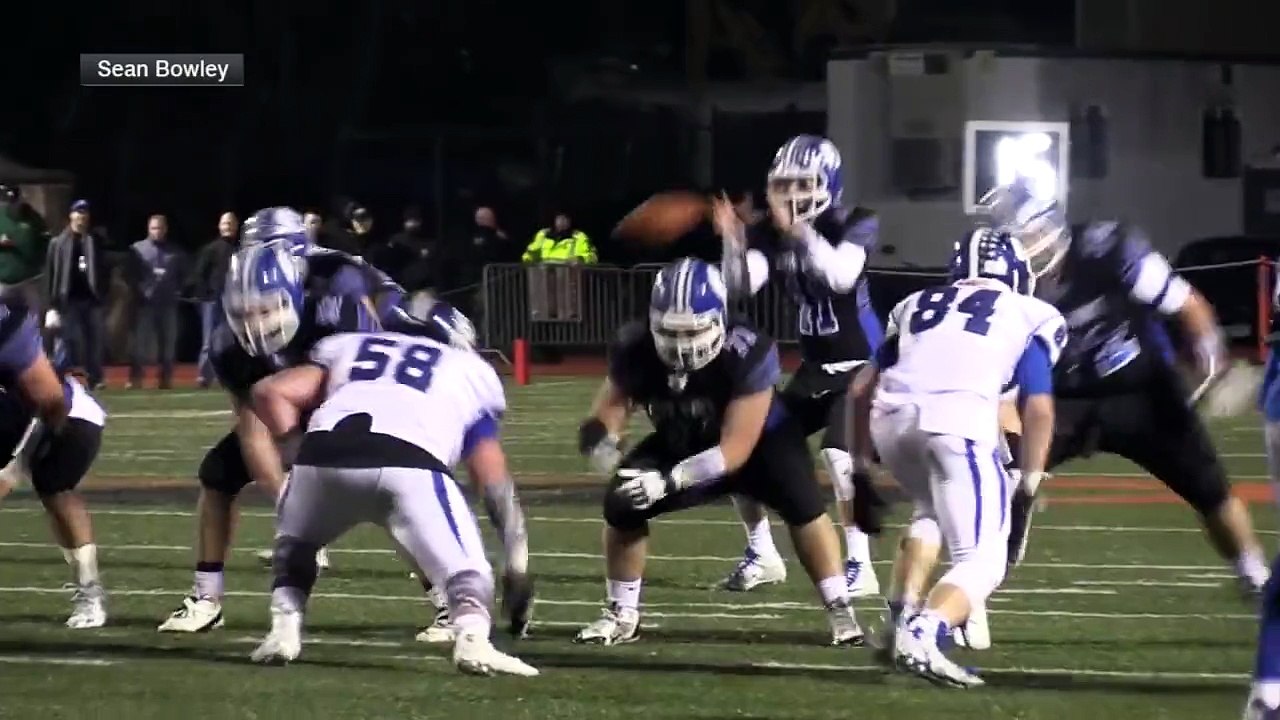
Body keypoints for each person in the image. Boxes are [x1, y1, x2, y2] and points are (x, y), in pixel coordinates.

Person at [972, 180, 1269, 646]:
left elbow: (1186, 304)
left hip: (1138, 387)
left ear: (1048, 229)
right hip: (1060, 397)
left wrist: (1208, 361)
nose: (1019, 250)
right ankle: (972, 589)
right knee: (989, 471)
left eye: (1024, 237)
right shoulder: (1003, 277)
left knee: (1209, 486)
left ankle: (1254, 576)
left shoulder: (1106, 249)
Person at [573, 257, 863, 647]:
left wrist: (666, 481)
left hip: (763, 441)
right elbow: (604, 417)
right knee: (621, 503)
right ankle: (622, 613)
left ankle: (839, 608)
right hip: (686, 437)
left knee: (804, 504)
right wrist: (609, 457)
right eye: (670, 332)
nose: (682, 345)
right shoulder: (635, 346)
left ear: (720, 320)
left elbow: (734, 452)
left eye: (694, 330)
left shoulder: (749, 349)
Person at [244, 326, 537, 676]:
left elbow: (269, 391)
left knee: (296, 545)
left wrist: (298, 451)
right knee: (466, 569)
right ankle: (473, 640)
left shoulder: (350, 346)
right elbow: (492, 480)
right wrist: (516, 562)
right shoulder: (468, 371)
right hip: (409, 462)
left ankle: (283, 632)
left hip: (324, 452)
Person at [850, 228, 1064, 687]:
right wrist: (1029, 480)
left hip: (891, 426)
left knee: (931, 512)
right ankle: (924, 634)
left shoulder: (913, 305)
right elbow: (1039, 406)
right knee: (984, 560)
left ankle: (898, 623)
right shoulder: (1028, 312)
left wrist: (861, 470)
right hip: (957, 425)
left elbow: (858, 391)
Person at [715, 134, 884, 596]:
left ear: (828, 184)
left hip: (862, 367)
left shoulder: (854, 221)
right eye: (783, 184)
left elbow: (839, 276)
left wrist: (800, 232)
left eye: (802, 183)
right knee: (743, 442)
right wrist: (733, 240)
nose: (792, 194)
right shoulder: (771, 233)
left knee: (838, 452)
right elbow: (742, 284)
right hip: (813, 370)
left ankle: (860, 564)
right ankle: (762, 552)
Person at [0, 321, 108, 628]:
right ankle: (90, 592)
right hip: (31, 410)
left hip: (68, 416)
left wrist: (18, 463)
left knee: (56, 490)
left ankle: (90, 593)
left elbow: (48, 402)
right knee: (53, 492)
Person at [45, 200, 107, 389]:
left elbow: (103, 269)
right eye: (78, 216)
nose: (82, 220)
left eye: (85, 216)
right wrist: (51, 304)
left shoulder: (93, 241)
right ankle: (58, 376)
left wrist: (102, 293)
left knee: (94, 340)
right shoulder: (58, 242)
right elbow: (51, 273)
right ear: (71, 216)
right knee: (66, 339)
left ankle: (95, 377)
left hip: (90, 298)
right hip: (68, 299)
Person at [126, 214, 190, 389]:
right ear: (148, 229)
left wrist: (178, 290)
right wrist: (139, 291)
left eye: (160, 228)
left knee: (168, 344)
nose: (157, 231)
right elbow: (130, 275)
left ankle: (166, 378)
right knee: (140, 344)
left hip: (168, 305)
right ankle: (135, 378)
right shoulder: (137, 249)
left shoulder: (176, 252)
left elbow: (185, 276)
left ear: (165, 229)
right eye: (154, 228)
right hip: (145, 305)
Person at [192, 212, 239, 387]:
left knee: (230, 342)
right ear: (220, 226)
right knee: (209, 341)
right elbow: (200, 275)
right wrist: (205, 297)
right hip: (213, 301)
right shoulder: (211, 249)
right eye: (225, 223)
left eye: (231, 224)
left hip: (234, 301)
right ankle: (204, 376)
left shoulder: (241, 250)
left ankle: (226, 376)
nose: (228, 226)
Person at [521, 212, 597, 264]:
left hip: (569, 277)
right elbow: (529, 253)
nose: (562, 221)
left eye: (565, 218)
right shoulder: (543, 234)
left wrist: (580, 259)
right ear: (554, 220)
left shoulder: (579, 236)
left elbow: (592, 257)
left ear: (570, 221)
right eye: (559, 218)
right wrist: (529, 259)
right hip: (544, 277)